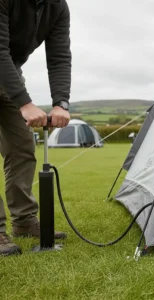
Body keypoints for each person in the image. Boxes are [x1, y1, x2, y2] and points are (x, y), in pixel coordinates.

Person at [0, 0, 72, 256]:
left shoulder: (58, 7)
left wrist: (60, 103)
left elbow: (59, 56)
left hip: (9, 75)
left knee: (22, 149)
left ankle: (24, 221)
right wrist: (25, 103)